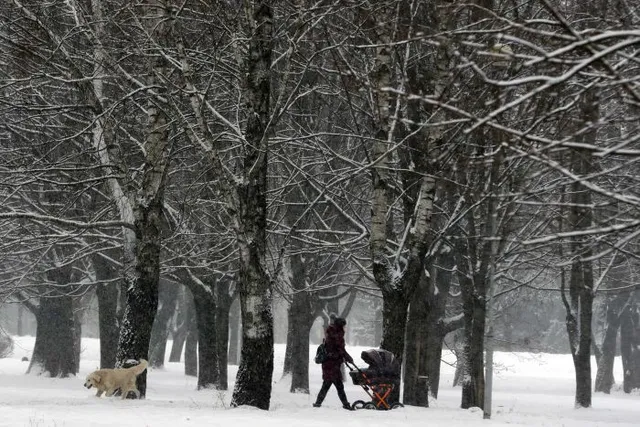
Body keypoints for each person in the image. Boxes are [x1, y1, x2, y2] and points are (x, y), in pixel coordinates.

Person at [313, 315, 354, 410]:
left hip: (329, 364)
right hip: (332, 364)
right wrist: (349, 358)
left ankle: (318, 403)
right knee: (338, 386)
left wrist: (344, 357)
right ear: (340, 326)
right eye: (344, 326)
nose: (345, 328)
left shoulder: (332, 334)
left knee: (327, 385)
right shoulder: (337, 336)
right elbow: (340, 349)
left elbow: (338, 350)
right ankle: (346, 405)